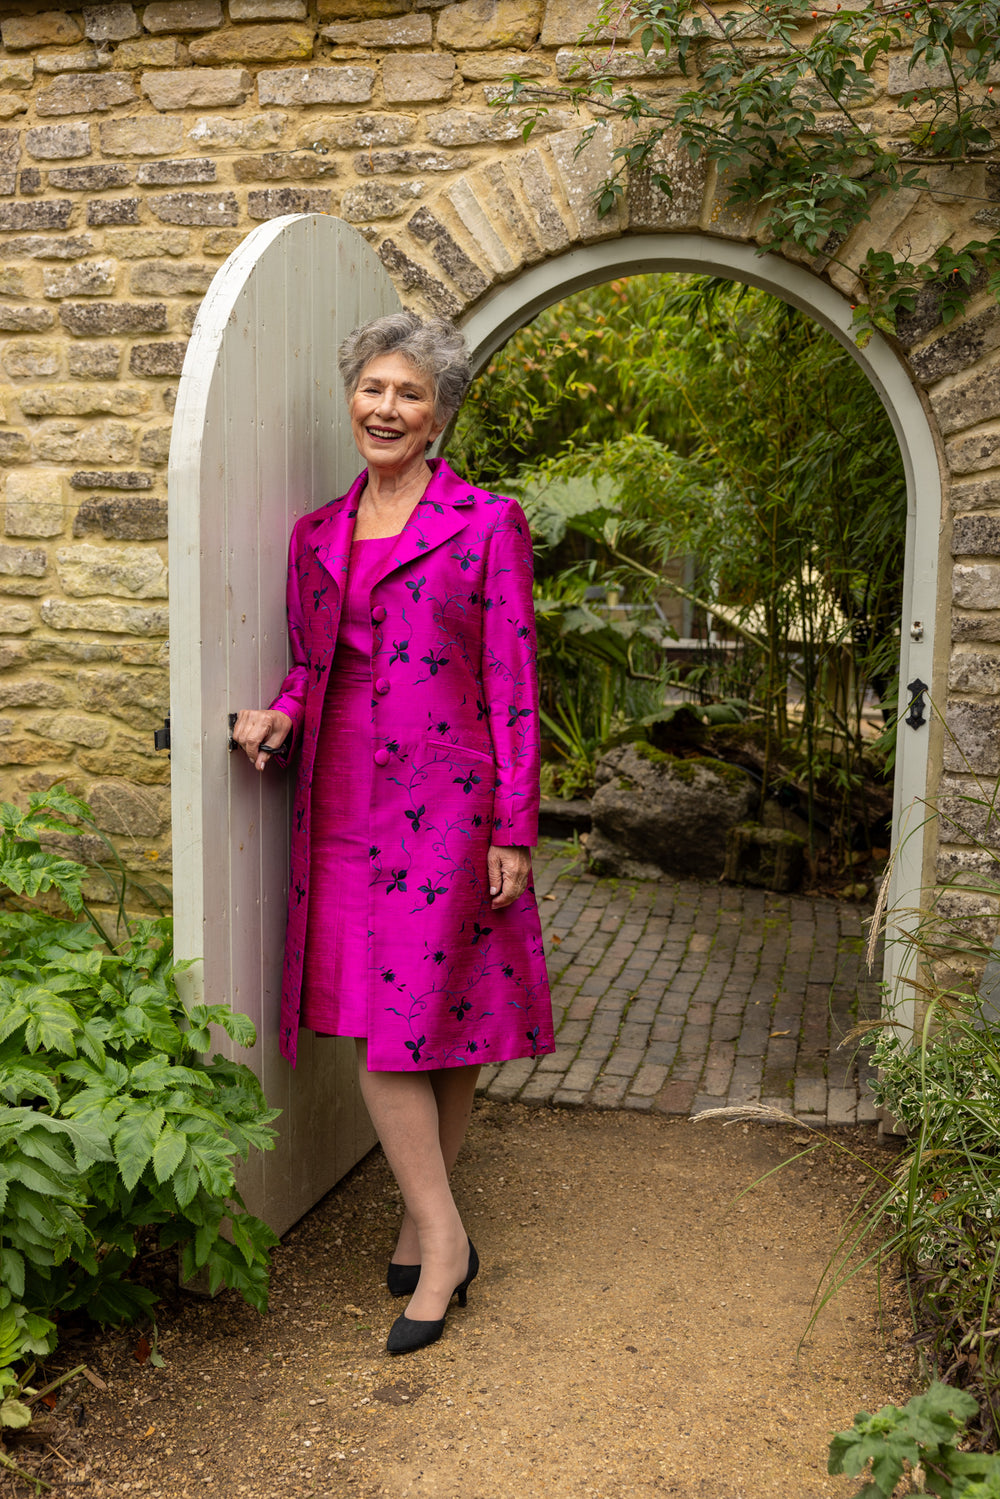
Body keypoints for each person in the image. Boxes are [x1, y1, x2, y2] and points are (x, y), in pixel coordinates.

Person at [233, 311, 554, 1355]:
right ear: (351, 396)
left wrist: (514, 824)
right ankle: (436, 1227)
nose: (386, 407)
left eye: (409, 393)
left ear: (438, 414)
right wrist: (278, 710)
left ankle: (436, 1234)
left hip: (446, 800)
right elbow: (308, 662)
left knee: (423, 1022)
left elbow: (513, 681)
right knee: (396, 1019)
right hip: (337, 793)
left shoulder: (487, 521)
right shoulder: (316, 534)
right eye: (374, 387)